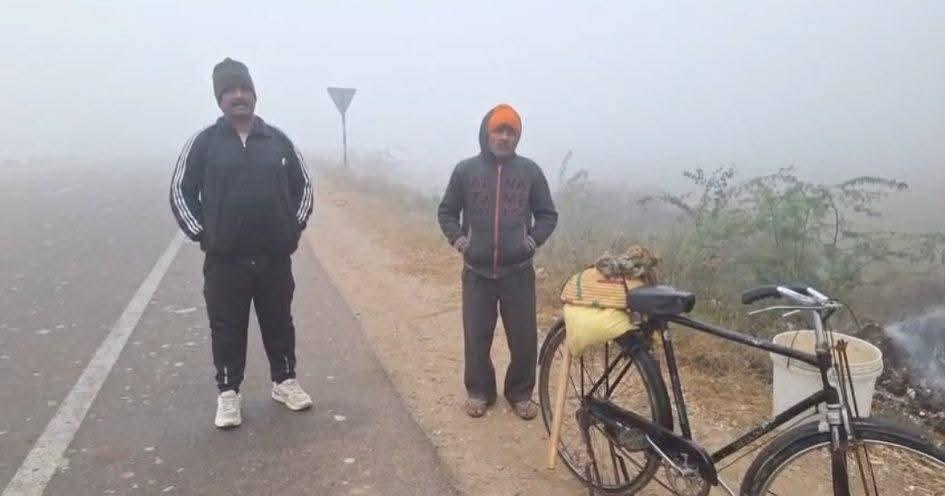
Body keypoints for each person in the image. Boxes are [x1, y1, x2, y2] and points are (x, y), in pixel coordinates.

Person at [170, 57, 315, 429]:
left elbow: (303, 189)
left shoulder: (278, 141)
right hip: (225, 261)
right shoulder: (204, 143)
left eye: (244, 89)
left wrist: (292, 229)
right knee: (227, 328)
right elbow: (181, 192)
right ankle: (228, 393)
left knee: (279, 322)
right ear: (219, 98)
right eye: (230, 90)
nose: (238, 96)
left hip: (274, 258)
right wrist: (205, 234)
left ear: (254, 94)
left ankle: (285, 382)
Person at [437, 104, 558, 419]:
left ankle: (520, 393)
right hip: (476, 271)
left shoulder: (530, 172)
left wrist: (531, 241)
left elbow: (547, 214)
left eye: (511, 132)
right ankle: (479, 392)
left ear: (517, 137)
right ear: (486, 133)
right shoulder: (465, 171)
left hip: (518, 272)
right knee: (476, 337)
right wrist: (459, 240)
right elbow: (446, 211)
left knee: (524, 338)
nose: (504, 137)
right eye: (499, 130)